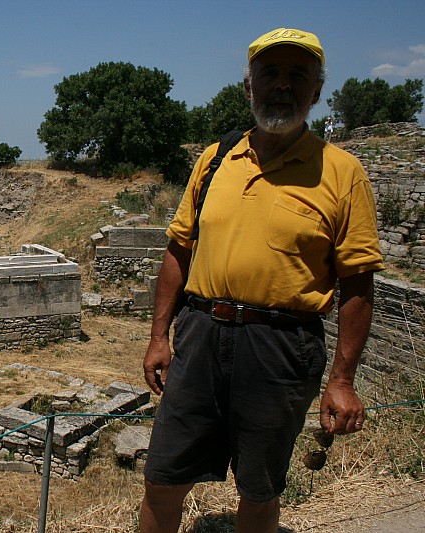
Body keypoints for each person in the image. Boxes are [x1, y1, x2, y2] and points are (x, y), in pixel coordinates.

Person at [140, 28, 384, 533]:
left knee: (259, 490)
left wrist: (341, 381)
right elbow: (178, 250)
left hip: (281, 347)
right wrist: (159, 336)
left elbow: (358, 285)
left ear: (317, 91)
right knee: (162, 480)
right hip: (199, 336)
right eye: (269, 73)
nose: (282, 86)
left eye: (299, 75)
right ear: (248, 87)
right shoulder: (214, 160)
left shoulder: (342, 172)